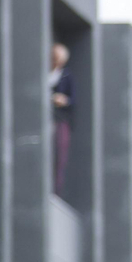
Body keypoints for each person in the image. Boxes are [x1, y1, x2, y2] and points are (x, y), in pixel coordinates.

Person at [49, 42, 74, 196]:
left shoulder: (66, 77)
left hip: (58, 118)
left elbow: (72, 99)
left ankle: (55, 190)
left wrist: (62, 100)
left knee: (58, 152)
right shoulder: (44, 72)